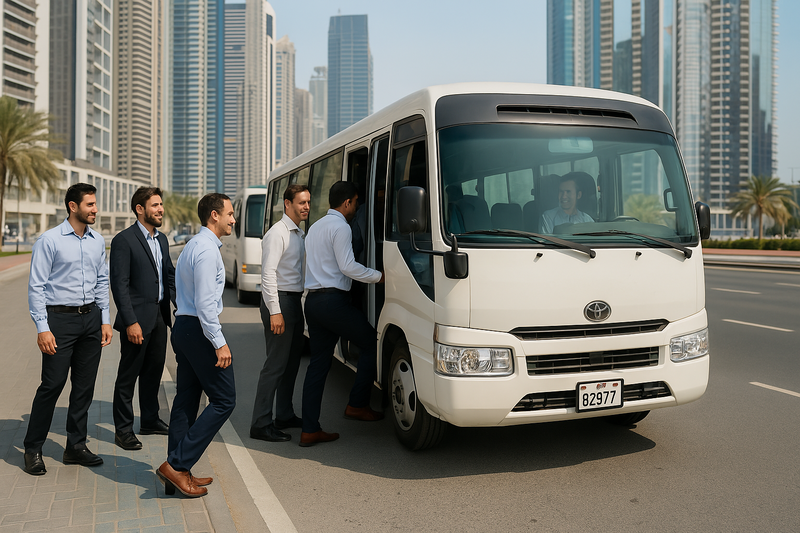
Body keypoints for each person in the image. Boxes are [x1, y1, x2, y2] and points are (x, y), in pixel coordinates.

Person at [24, 183, 112, 476]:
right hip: (59, 321)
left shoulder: (97, 241)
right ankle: (33, 448)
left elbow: (102, 281)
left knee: (84, 388)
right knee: (52, 385)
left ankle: (75, 446)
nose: (95, 210)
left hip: (90, 319)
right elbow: (36, 286)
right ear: (73, 206)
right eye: (89, 205)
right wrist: (42, 327)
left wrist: (105, 319)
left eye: (95, 204)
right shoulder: (49, 241)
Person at [157, 193, 236, 498]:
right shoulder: (206, 250)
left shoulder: (195, 244)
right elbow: (205, 303)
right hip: (199, 329)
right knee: (224, 400)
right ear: (214, 216)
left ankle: (177, 474)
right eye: (229, 214)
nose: (233, 219)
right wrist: (219, 343)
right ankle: (176, 465)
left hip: (187, 328)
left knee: (187, 400)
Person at [299, 181, 384, 447]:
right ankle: (357, 405)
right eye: (356, 202)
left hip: (313, 302)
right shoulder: (341, 227)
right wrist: (380, 277)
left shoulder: (314, 228)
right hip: (333, 302)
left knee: (318, 366)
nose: (357, 207)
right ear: (347, 203)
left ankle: (309, 429)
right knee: (371, 343)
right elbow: (348, 267)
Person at [110, 187, 176, 451]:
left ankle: (149, 420)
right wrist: (130, 321)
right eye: (155, 205)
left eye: (161, 205)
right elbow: (119, 285)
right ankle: (123, 430)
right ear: (140, 209)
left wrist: (179, 307)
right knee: (128, 376)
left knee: (153, 373)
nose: (160, 209)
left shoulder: (162, 240)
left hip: (159, 318)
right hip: (136, 321)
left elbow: (168, 275)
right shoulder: (123, 240)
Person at [250, 184, 310, 443]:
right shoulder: (278, 233)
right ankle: (260, 423)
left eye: (308, 202)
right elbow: (268, 274)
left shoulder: (298, 233)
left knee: (291, 363)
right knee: (275, 366)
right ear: (288, 204)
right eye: (301, 202)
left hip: (294, 302)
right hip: (280, 303)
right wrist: (275, 311)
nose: (306, 206)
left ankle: (284, 414)